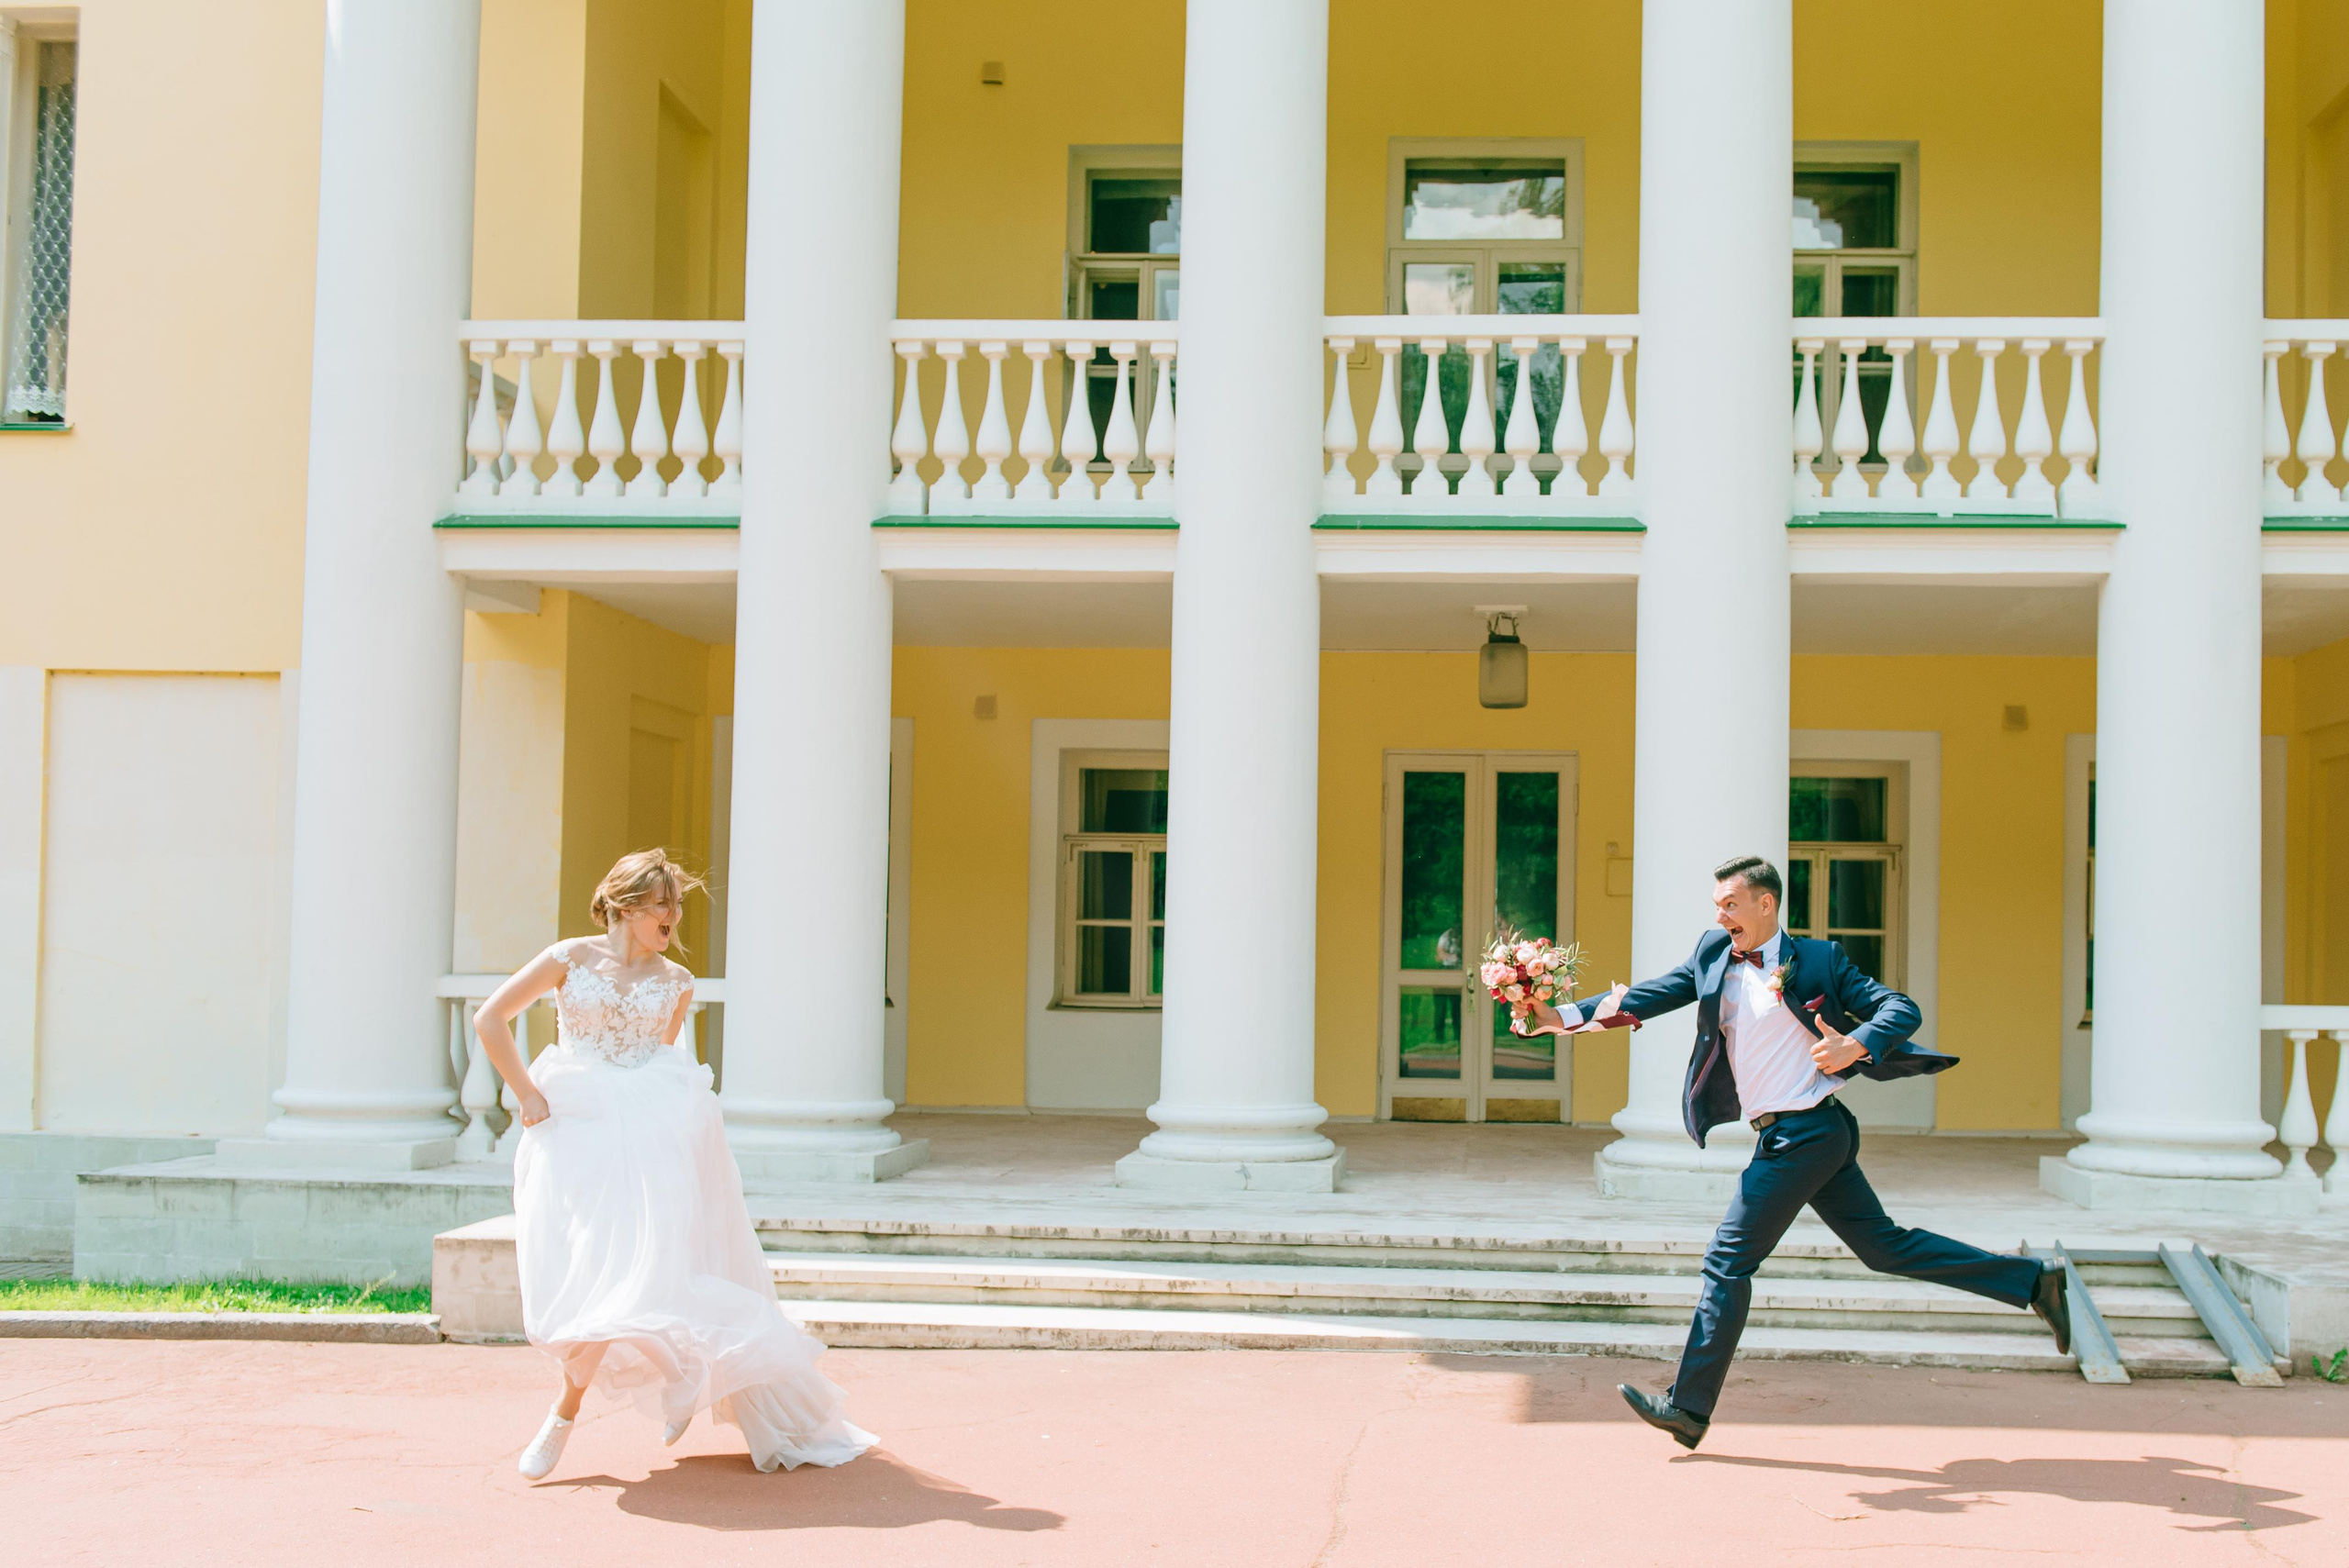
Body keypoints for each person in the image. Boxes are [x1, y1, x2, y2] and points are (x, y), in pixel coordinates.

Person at [1528, 854, 2070, 1451]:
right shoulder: (1714, 953)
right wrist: (1560, 1018)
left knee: (1727, 1260)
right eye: (1717, 906)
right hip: (1799, 1134)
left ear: (1766, 903)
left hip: (1804, 1134)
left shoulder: (1817, 960)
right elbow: (1650, 996)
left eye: (1731, 904)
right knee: (1885, 1248)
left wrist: (1856, 1043)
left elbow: (1901, 1008)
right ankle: (2033, 1282)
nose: (1721, 915)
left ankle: (1688, 1408)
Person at [472, 848, 874, 1480]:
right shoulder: (567, 958)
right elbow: (490, 1018)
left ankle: (563, 1415)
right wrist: (526, 1093)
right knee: (591, 1273)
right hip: (574, 1133)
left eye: (677, 904)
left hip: (649, 1137)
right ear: (626, 905)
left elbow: (663, 1062)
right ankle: (682, 1376)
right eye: (663, 903)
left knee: (645, 1272)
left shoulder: (677, 982)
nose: (674, 915)